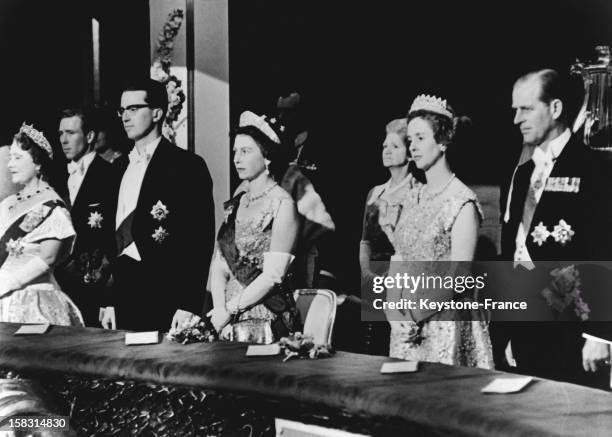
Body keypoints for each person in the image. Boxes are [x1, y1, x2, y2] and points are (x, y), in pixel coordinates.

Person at [494, 69, 612, 388]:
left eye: (526, 108)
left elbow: (603, 251)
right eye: (515, 110)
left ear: (556, 109)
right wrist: (507, 331)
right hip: (528, 329)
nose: (517, 118)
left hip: (575, 333)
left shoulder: (595, 169)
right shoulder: (521, 174)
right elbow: (514, 255)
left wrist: (599, 334)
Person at [387, 95, 493, 368]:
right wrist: (392, 311)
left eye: (421, 138)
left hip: (445, 324)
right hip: (405, 326)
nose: (413, 147)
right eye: (410, 140)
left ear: (443, 140)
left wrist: (415, 313)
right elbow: (399, 257)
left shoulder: (462, 201)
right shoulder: (412, 197)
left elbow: (460, 275)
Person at [102, 78, 215, 332]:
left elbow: (199, 240)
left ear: (156, 113)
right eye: (122, 110)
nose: (125, 117)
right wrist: (108, 300)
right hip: (122, 293)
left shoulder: (187, 167)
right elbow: (111, 242)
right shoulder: (117, 168)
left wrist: (188, 304)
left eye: (133, 109)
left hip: (167, 293)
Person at [207, 110, 300, 344]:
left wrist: (229, 309)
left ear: (267, 157)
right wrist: (219, 310)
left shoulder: (283, 204)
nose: (237, 159)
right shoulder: (237, 202)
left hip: (263, 315)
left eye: (245, 151)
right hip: (224, 317)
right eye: (235, 152)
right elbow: (219, 263)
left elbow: (273, 275)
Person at [0, 123, 83, 326]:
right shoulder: (8, 204)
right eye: (10, 157)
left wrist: (6, 284)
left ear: (37, 164)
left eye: (18, 158)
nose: (10, 164)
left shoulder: (52, 207)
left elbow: (49, 257)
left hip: (34, 302)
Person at [54, 107, 120, 326]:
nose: (64, 140)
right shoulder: (54, 178)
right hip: (60, 287)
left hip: (95, 288)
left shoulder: (111, 176)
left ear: (90, 136)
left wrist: (109, 295)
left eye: (71, 133)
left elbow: (115, 239)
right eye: (61, 133)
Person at [356, 118, 417, 355]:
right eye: (384, 146)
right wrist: (366, 274)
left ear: (409, 153)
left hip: (402, 281)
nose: (387, 151)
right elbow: (365, 241)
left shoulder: (416, 192)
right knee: (372, 347)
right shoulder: (375, 192)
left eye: (394, 146)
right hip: (373, 280)